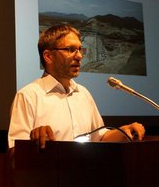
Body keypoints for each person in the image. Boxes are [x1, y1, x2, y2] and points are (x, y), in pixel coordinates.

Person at [7, 24, 145, 150]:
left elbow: (100, 137)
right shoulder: (29, 95)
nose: (79, 56)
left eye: (79, 49)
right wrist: (34, 141)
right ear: (48, 56)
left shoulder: (83, 93)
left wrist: (124, 131)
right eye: (70, 49)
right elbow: (14, 154)